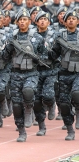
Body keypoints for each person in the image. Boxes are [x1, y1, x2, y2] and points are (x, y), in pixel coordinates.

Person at [2, 9, 45, 142]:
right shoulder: (12, 38)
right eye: (20, 20)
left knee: (28, 91)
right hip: (15, 73)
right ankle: (21, 131)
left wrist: (38, 58)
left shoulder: (37, 38)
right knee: (16, 105)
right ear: (16, 22)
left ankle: (29, 108)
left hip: (31, 73)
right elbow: (5, 57)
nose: (22, 22)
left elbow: (44, 55)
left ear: (29, 21)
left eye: (25, 19)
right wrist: (7, 47)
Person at [48, 10, 79, 140]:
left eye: (74, 18)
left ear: (77, 21)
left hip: (78, 73)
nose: (71, 20)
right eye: (68, 18)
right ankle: (70, 129)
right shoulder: (59, 37)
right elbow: (54, 55)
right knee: (64, 104)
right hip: (64, 73)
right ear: (64, 22)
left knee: (77, 94)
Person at [33, 11, 57, 136]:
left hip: (51, 70)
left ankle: (51, 103)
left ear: (49, 22)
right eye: (40, 19)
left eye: (45, 19)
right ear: (36, 21)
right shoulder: (31, 35)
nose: (42, 21)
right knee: (36, 100)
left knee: (48, 95)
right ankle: (41, 126)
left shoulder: (55, 35)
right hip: (35, 70)